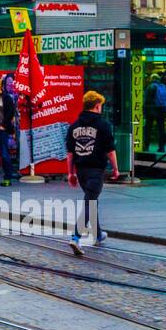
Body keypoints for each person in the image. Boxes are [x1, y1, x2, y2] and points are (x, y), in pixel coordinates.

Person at [66, 90, 119, 256]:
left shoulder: (74, 126)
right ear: (97, 106)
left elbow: (70, 154)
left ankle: (97, 234)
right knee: (90, 203)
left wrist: (70, 174)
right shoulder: (103, 125)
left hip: (81, 170)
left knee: (91, 200)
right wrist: (116, 169)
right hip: (96, 170)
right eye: (101, 106)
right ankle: (75, 237)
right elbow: (110, 150)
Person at [144, 74, 166, 151]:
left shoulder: (150, 87)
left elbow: (147, 100)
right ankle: (162, 147)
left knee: (148, 129)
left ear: (152, 79)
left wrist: (144, 110)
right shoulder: (163, 86)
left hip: (151, 110)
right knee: (161, 129)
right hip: (162, 109)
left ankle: (146, 146)